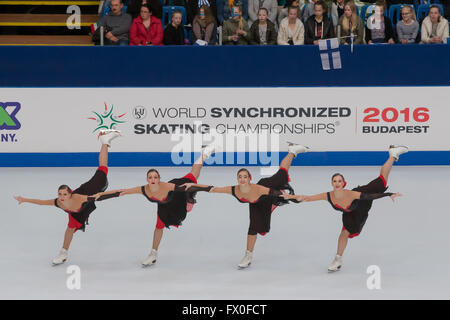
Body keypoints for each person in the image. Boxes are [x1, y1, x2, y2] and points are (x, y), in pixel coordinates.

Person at [283, 145, 408, 272]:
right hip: (349, 213)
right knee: (344, 233)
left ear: (343, 183)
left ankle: (393, 154)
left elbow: (369, 196)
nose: (337, 183)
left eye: (339, 181)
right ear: (332, 183)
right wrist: (289, 196)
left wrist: (388, 194)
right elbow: (307, 198)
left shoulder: (350, 194)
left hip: (362, 200)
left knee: (382, 180)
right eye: (335, 181)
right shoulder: (328, 195)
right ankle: (338, 259)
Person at [184, 143, 308, 269]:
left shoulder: (258, 189)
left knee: (282, 174)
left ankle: (292, 151)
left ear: (249, 178)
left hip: (266, 191)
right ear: (237, 179)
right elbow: (213, 189)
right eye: (240, 177)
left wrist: (295, 197)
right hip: (256, 203)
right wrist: (194, 186)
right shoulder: (234, 189)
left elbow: (280, 195)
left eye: (245, 177)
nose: (242, 179)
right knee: (253, 227)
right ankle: (248, 255)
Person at [93, 145, 218, 267]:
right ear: (147, 179)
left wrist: (209, 189)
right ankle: (153, 254)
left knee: (194, 174)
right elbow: (122, 192)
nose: (153, 179)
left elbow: (188, 188)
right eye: (150, 177)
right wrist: (102, 194)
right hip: (163, 206)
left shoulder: (168, 186)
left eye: (155, 177)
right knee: (159, 226)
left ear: (159, 178)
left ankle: (204, 154)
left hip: (178, 194)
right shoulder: (144, 189)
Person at [13, 130, 122, 265]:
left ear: (70, 194)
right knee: (70, 228)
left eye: (64, 194)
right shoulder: (59, 202)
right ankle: (63, 252)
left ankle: (105, 141)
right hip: (77, 211)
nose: (62, 197)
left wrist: (118, 193)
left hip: (92, 190)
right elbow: (41, 202)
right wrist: (24, 199)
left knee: (103, 169)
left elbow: (99, 197)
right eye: (60, 194)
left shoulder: (78, 198)